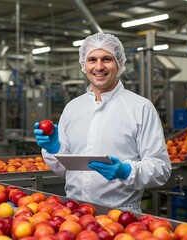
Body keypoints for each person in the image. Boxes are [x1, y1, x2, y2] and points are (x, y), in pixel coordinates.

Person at [34, 32, 171, 213]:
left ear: (119, 64)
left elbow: (161, 169)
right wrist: (54, 150)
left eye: (106, 59)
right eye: (92, 60)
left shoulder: (140, 107)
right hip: (73, 213)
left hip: (120, 215)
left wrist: (125, 171)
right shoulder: (73, 107)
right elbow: (66, 171)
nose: (99, 67)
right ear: (84, 64)